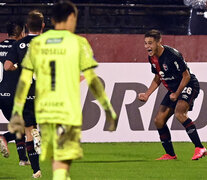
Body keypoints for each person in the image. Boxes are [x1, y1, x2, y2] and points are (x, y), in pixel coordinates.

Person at [8, 1, 117, 180]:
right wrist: (107, 107)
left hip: (35, 96)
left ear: (51, 20)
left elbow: (25, 79)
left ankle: (37, 161)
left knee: (36, 134)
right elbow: (91, 78)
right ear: (71, 18)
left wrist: (18, 108)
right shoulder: (77, 42)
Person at [138, 29, 206, 160]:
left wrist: (177, 93)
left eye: (150, 43)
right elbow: (158, 76)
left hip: (188, 85)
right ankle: (170, 154)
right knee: (158, 121)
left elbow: (186, 76)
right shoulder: (152, 58)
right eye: (145, 43)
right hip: (173, 90)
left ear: (159, 42)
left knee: (180, 114)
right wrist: (147, 94)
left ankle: (200, 148)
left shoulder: (172, 55)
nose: (147, 46)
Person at [4, 10, 45, 178]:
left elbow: (7, 66)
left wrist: (16, 67)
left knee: (29, 131)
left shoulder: (18, 45)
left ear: (27, 26)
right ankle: (37, 136)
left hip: (25, 93)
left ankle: (36, 170)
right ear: (43, 26)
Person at [0, 21, 31, 166]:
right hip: (12, 93)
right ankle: (4, 137)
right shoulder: (18, 48)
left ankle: (23, 159)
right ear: (21, 34)